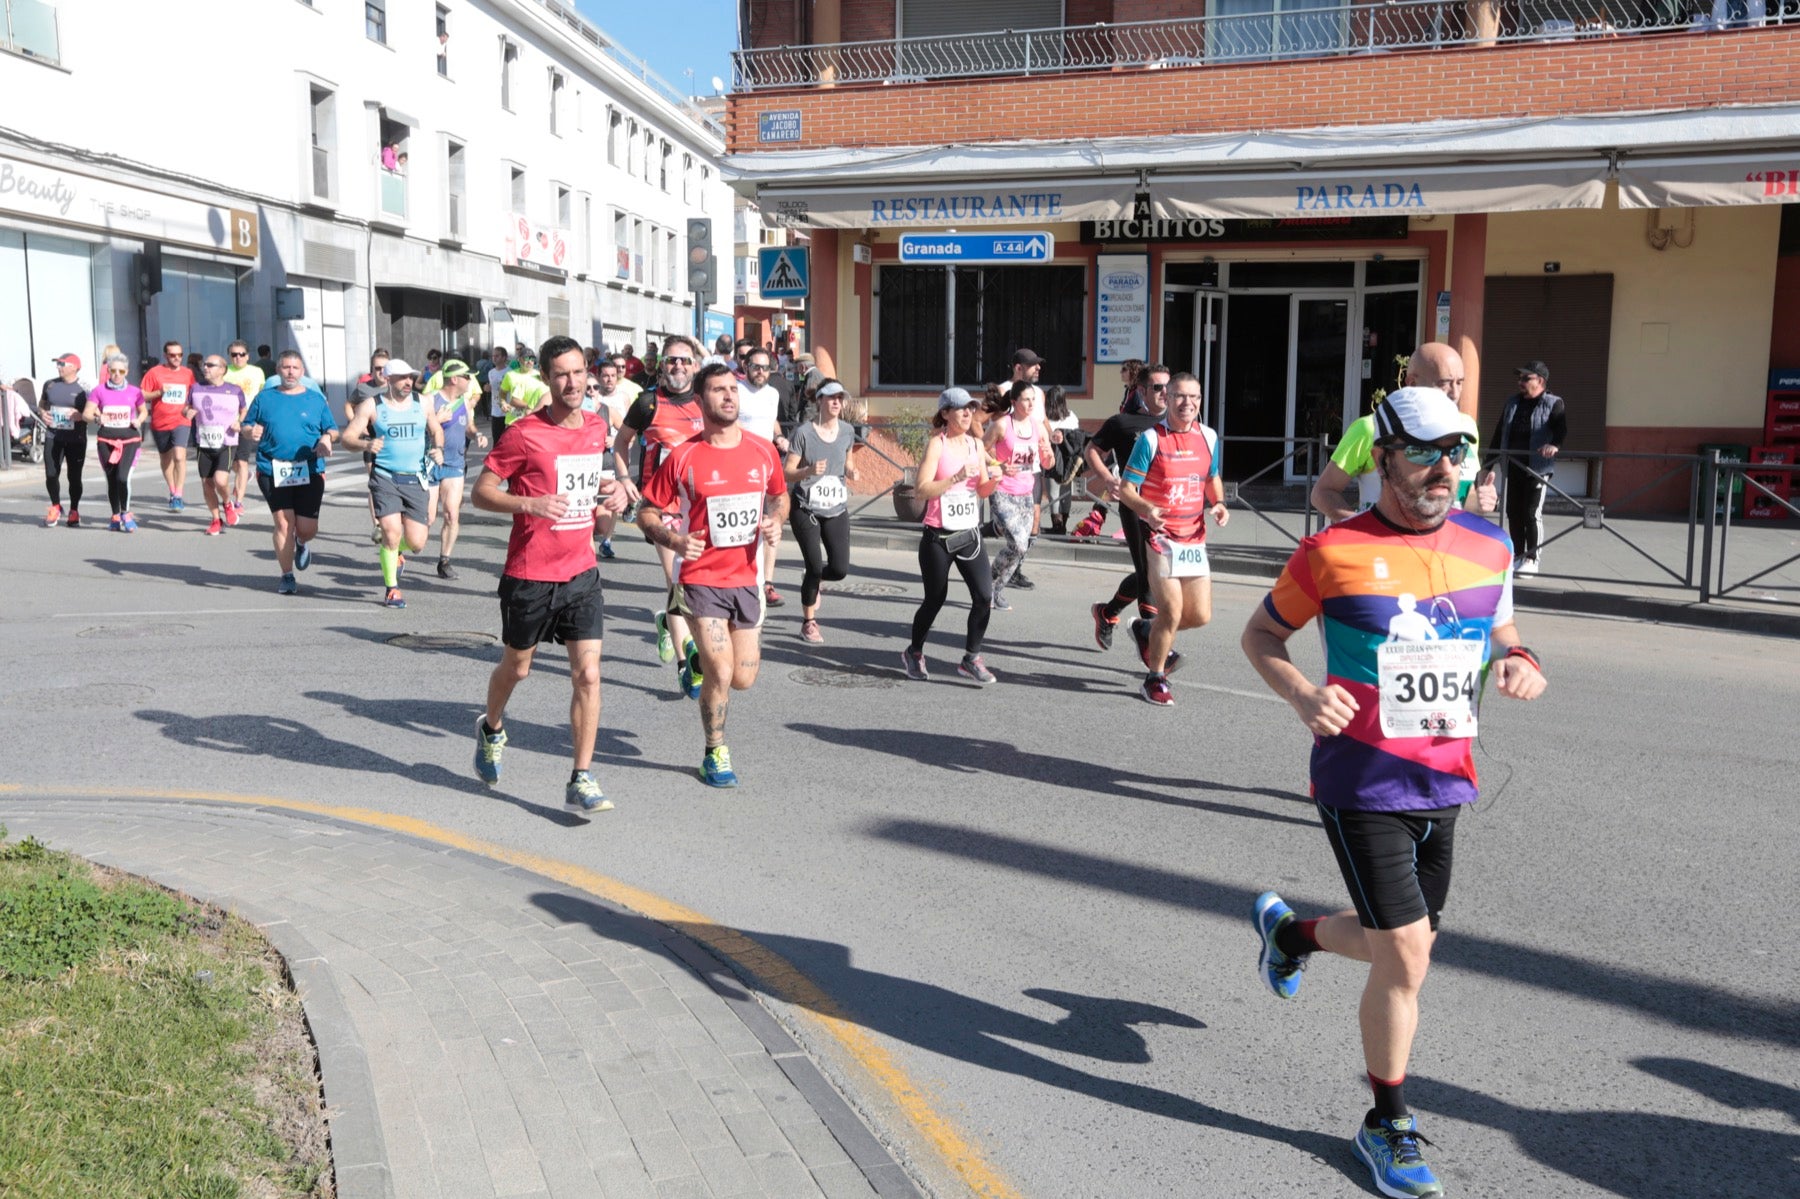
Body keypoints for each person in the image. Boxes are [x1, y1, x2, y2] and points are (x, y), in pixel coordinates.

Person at [1241, 385, 1546, 1199]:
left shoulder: (1490, 544)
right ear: (1383, 458)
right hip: (1360, 778)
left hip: (1445, 779)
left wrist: (1523, 661)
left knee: (1397, 947)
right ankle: (1387, 1122)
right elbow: (1261, 633)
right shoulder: (1332, 551)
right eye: (1423, 452)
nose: (1442, 469)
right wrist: (1305, 695)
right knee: (1406, 955)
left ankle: (1293, 936)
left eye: (1458, 452)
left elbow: (1502, 629)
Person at [471, 335, 628, 814]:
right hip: (530, 573)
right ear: (545, 378)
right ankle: (491, 726)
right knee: (517, 667)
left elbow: (597, 514)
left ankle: (581, 776)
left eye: (579, 371)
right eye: (561, 373)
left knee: (589, 675)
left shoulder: (596, 428)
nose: (572, 382)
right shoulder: (523, 433)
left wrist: (616, 502)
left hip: (581, 571)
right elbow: (481, 492)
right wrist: (529, 503)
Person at [634, 362, 788, 788]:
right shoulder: (684, 456)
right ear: (701, 401)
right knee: (720, 674)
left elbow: (779, 497)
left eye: (732, 390)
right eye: (718, 390)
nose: (728, 397)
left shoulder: (762, 450)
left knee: (742, 678)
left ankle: (697, 657)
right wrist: (675, 541)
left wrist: (776, 520)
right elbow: (645, 513)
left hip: (745, 579)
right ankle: (714, 751)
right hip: (700, 579)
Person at [1117, 372, 1227, 706]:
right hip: (1160, 539)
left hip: (1193, 538)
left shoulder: (1208, 437)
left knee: (1199, 616)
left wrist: (1219, 502)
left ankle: (1146, 631)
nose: (1187, 404)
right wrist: (1147, 509)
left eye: (1194, 398)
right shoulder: (1150, 439)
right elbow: (1125, 490)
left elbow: (1212, 477)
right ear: (1167, 398)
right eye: (1180, 396)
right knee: (1173, 612)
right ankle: (1155, 678)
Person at [1311, 343, 1496, 525]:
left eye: (1459, 382)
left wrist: (1479, 502)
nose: (1454, 393)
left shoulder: (1466, 427)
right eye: (1444, 383)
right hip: (1385, 552)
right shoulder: (1371, 428)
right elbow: (1322, 493)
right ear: (1412, 383)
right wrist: (1362, 529)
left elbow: (1464, 495)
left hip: (1448, 551)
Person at [614, 335, 706, 696]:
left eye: (684, 361)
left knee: (694, 583)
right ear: (661, 365)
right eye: (671, 361)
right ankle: (687, 665)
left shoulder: (705, 402)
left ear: (695, 366)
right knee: (677, 581)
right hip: (660, 505)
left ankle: (668, 623)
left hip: (699, 506)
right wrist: (624, 478)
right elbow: (620, 442)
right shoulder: (648, 403)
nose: (678, 367)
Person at [902, 388, 1002, 685]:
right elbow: (921, 489)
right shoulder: (937, 445)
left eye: (970, 407)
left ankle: (971, 658)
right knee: (935, 598)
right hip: (938, 536)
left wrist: (994, 482)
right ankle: (914, 651)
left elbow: (982, 489)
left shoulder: (975, 444)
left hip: (969, 533)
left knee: (984, 596)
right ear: (945, 413)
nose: (967, 412)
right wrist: (956, 478)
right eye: (960, 408)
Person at [342, 359, 446, 608]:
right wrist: (366, 444)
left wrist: (439, 448)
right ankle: (392, 589)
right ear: (388, 379)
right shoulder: (372, 405)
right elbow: (347, 437)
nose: (408, 382)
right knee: (390, 532)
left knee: (417, 543)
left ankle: (396, 552)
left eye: (410, 377)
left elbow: (436, 430)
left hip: (415, 478)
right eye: (401, 378)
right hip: (385, 477)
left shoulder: (423, 403)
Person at [243, 351, 338, 595]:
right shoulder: (265, 398)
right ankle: (287, 575)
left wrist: (327, 439)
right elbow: (246, 424)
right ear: (278, 370)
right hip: (272, 467)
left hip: (309, 467)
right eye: (285, 367)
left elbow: (332, 429)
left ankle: (302, 542)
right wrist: (249, 432)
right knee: (283, 523)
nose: (290, 372)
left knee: (307, 528)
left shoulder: (315, 400)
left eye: (295, 368)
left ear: (302, 372)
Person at [783, 380, 858, 643]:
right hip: (806, 508)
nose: (837, 402)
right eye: (831, 397)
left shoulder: (848, 431)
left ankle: (812, 578)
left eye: (841, 397)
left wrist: (851, 470)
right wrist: (808, 471)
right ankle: (809, 622)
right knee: (815, 565)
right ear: (820, 401)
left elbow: (848, 459)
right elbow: (787, 471)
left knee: (839, 569)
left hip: (836, 508)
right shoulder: (804, 432)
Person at [1478, 360, 1567, 576]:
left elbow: (1560, 428)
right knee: (1513, 512)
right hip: (1513, 466)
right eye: (1519, 378)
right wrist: (1488, 465)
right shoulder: (1512, 403)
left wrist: (1554, 445)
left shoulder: (1553, 403)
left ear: (1541, 381)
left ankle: (1532, 558)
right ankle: (1518, 556)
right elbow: (1499, 434)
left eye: (1526, 378)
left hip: (1537, 468)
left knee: (1531, 513)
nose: (1521, 382)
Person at [984, 382, 1053, 611]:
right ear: (1014, 402)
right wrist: (998, 464)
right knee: (1019, 544)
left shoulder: (1038, 427)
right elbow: (980, 449)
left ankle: (994, 590)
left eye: (1033, 399)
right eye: (1026, 399)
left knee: (1020, 548)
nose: (1031, 403)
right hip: (1002, 490)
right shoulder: (1002, 425)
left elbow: (1047, 461)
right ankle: (988, 586)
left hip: (1026, 492)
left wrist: (1047, 456)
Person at [1071, 362, 1152, 538]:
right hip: (1121, 446)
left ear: (1132, 372)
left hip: (1131, 449)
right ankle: (1098, 516)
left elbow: (1130, 419)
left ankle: (1102, 517)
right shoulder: (1129, 392)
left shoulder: (1137, 395)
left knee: (1128, 486)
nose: (1120, 373)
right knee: (1116, 483)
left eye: (1124, 369)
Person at [736, 346, 789, 609]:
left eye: (765, 367)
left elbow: (771, 421)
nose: (760, 372)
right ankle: (743, 580)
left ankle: (767, 583)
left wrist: (778, 436)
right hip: (740, 465)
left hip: (768, 465)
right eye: (755, 366)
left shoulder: (773, 394)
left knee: (772, 522)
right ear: (745, 367)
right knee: (746, 524)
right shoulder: (735, 391)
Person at [426, 359, 487, 579]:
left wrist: (476, 434)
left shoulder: (465, 402)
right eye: (467, 377)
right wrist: (435, 419)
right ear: (454, 379)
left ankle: (444, 561)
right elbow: (418, 430)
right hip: (430, 463)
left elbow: (468, 426)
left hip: (455, 463)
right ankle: (399, 550)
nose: (471, 381)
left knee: (452, 514)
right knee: (429, 518)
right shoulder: (430, 401)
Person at [83, 354, 147, 532]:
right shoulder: (99, 391)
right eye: (113, 371)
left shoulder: (135, 391)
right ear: (108, 371)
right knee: (111, 479)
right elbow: (86, 414)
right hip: (106, 440)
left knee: (122, 477)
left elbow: (143, 411)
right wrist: (98, 417)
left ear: (126, 372)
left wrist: (139, 421)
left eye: (121, 371)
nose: (117, 374)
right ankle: (115, 515)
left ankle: (126, 513)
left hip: (130, 440)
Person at [188, 354, 248, 536]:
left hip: (227, 441)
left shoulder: (235, 390)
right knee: (207, 483)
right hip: (204, 442)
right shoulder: (195, 388)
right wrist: (187, 412)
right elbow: (186, 406)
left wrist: (240, 422)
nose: (205, 367)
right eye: (204, 365)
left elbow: (243, 409)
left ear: (222, 369)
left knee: (220, 480)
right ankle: (216, 519)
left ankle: (228, 503)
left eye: (210, 365)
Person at [140, 341, 195, 511]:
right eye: (173, 355)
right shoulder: (154, 372)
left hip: (181, 420)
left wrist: (193, 409)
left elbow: (193, 395)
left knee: (179, 456)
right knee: (166, 459)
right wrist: (158, 393)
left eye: (180, 355)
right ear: (165, 355)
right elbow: (141, 394)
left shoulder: (187, 373)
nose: (177, 358)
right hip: (160, 422)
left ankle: (178, 494)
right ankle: (172, 490)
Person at [39, 352, 89, 528]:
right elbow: (42, 404)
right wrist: (43, 414)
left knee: (74, 477)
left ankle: (74, 510)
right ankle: (55, 506)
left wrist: (80, 416)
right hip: (54, 436)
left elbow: (93, 414)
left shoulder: (85, 388)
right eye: (58, 364)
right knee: (51, 473)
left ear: (74, 367)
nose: (58, 367)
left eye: (62, 364)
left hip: (76, 438)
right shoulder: (50, 384)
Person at [223, 341, 266, 526]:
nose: (238, 357)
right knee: (229, 463)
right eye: (234, 354)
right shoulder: (225, 371)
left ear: (248, 356)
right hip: (226, 422)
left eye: (241, 354)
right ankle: (244, 474)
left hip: (247, 421)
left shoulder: (256, 372)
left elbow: (262, 394)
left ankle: (238, 501)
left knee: (241, 460)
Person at [1041, 385, 1082, 536]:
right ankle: (1063, 523)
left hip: (1051, 459)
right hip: (1069, 460)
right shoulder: (1072, 416)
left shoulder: (1045, 418)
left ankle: (1056, 525)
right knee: (1066, 492)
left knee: (1053, 493)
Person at [485, 344, 511, 445]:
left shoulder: (510, 372)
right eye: (493, 356)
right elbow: (491, 387)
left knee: (508, 440)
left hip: (507, 411)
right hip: (495, 410)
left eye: (497, 356)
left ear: (504, 357)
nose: (494, 358)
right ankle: (497, 460)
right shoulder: (491, 373)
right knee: (497, 440)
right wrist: (487, 388)